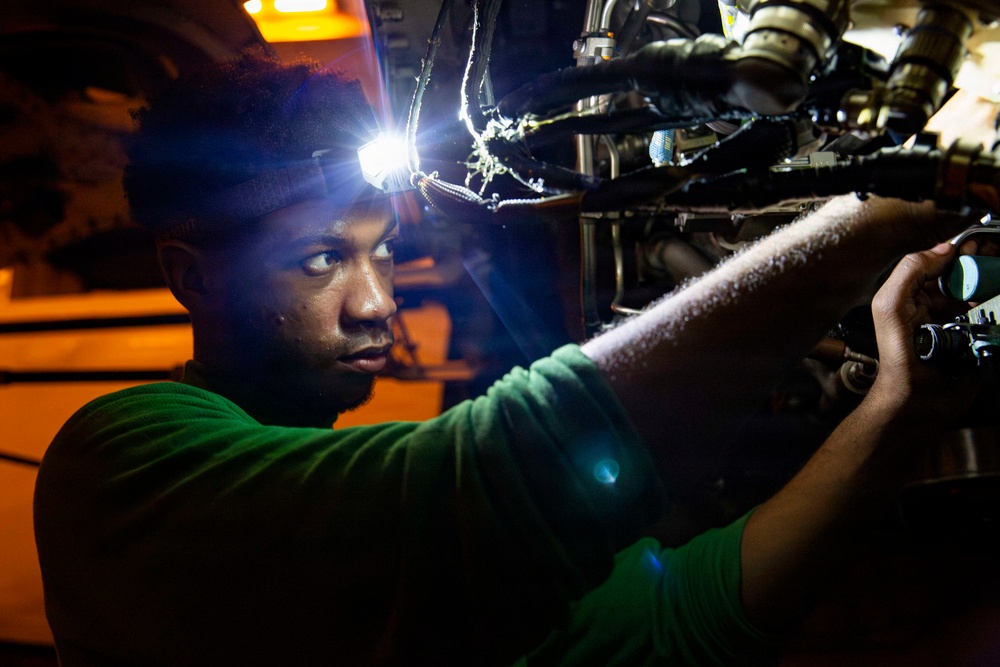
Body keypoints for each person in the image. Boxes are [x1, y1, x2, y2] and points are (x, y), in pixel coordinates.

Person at [32, 48, 985, 665]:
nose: (375, 303)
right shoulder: (113, 464)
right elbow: (479, 476)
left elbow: (669, 620)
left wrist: (897, 410)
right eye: (321, 259)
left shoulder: (414, 575)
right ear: (190, 278)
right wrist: (889, 205)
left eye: (385, 252)